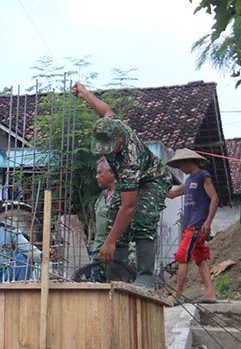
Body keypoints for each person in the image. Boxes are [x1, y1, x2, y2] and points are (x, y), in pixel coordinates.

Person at [72, 82, 171, 288]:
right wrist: (85, 94)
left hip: (152, 179)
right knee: (113, 217)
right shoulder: (112, 124)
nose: (107, 152)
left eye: (110, 147)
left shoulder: (129, 159)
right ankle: (117, 272)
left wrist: (109, 242)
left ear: (119, 137)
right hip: (131, 182)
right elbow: (106, 110)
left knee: (142, 217)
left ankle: (145, 275)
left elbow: (130, 206)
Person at [166, 149, 219, 303]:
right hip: (191, 226)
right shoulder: (188, 181)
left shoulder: (203, 176)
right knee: (201, 259)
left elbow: (214, 199)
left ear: (189, 161)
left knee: (183, 257)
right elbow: (172, 194)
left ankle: (177, 294)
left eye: (181, 164)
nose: (180, 168)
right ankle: (210, 294)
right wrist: (156, 185)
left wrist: (208, 222)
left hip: (196, 226)